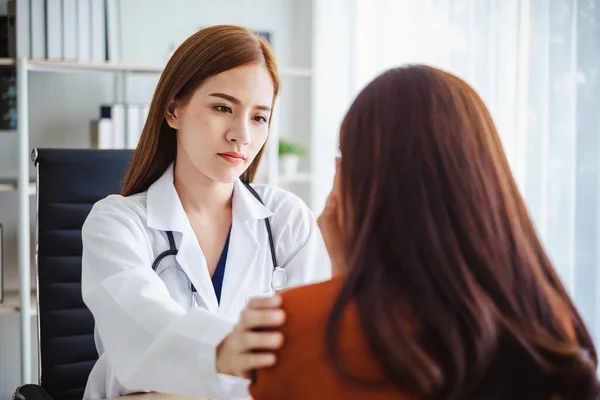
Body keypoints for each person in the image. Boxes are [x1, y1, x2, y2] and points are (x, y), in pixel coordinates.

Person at [249, 65, 600, 399]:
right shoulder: (544, 321)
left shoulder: (294, 329)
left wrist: (346, 274)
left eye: (344, 155)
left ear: (360, 180)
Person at [80, 25, 331, 400]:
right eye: (222, 108)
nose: (241, 135)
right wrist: (223, 351)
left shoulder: (287, 219)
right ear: (173, 110)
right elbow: (139, 331)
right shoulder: (116, 223)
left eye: (259, 117)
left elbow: (312, 351)